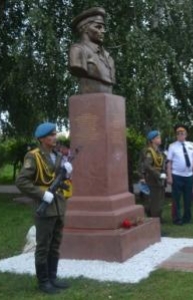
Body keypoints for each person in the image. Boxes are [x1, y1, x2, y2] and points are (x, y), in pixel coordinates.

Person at [16, 123, 73, 294]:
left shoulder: (57, 155)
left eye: (55, 134)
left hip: (58, 205)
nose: (55, 137)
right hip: (44, 207)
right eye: (51, 135)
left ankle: (53, 278)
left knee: (55, 244)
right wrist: (41, 194)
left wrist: (67, 172)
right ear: (41, 139)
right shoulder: (33, 156)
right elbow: (21, 181)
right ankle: (43, 282)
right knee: (43, 246)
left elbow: (57, 177)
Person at [69, 7, 116, 94]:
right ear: (84, 28)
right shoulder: (78, 50)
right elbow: (76, 67)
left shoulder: (108, 58)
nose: (103, 31)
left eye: (103, 27)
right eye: (98, 27)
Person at [167, 125, 193, 225]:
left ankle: (187, 217)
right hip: (177, 175)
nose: (181, 135)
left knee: (188, 198)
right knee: (176, 198)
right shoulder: (172, 146)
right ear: (176, 136)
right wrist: (169, 176)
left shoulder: (190, 145)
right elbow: (169, 162)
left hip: (189, 175)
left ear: (186, 135)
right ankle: (177, 218)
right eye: (179, 134)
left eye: (183, 133)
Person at [141, 130, 166, 220]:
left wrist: (163, 173)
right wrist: (158, 174)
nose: (160, 139)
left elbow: (161, 163)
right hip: (152, 178)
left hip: (159, 178)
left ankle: (157, 217)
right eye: (158, 138)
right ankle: (154, 219)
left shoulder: (158, 151)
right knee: (154, 200)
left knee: (159, 199)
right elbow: (147, 166)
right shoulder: (149, 151)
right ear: (152, 140)